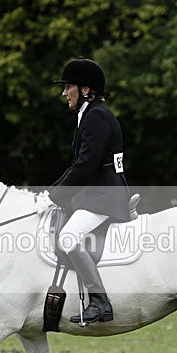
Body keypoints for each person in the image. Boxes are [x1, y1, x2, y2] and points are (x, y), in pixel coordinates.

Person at [45, 58, 130, 325]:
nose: (63, 93)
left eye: (68, 87)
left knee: (68, 237)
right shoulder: (91, 115)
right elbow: (79, 165)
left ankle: (100, 302)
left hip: (104, 197)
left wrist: (52, 196)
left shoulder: (97, 117)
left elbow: (85, 165)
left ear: (84, 90)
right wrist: (54, 191)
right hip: (98, 195)